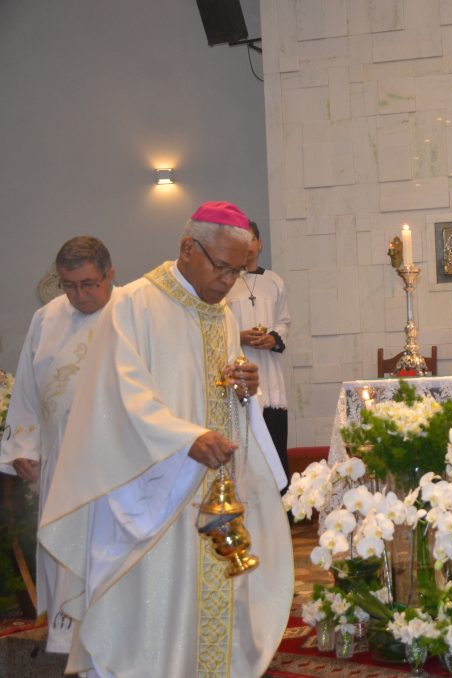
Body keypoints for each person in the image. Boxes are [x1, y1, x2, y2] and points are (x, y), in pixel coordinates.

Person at [38, 202, 292, 678]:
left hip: (210, 499)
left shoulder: (223, 316)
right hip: (152, 498)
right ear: (187, 249)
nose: (228, 281)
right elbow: (120, 397)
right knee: (151, 618)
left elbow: (220, 394)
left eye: (238, 271)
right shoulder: (133, 305)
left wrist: (244, 389)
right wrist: (186, 439)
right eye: (222, 267)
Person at [0, 236, 117, 654]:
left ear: (109, 275)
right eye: (69, 285)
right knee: (66, 551)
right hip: (60, 460)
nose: (79, 295)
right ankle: (70, 642)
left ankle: (115, 638)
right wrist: (24, 447)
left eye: (88, 284)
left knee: (107, 553)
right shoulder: (46, 319)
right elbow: (28, 389)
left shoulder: (133, 316)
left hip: (116, 464)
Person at [226, 220, 291, 481]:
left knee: (275, 445)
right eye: (241, 241)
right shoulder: (227, 283)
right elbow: (221, 325)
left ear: (260, 243)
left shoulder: (274, 281)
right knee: (248, 449)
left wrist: (273, 338)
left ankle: (284, 508)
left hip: (270, 371)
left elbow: (284, 321)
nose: (247, 246)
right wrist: (241, 336)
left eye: (251, 239)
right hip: (242, 372)